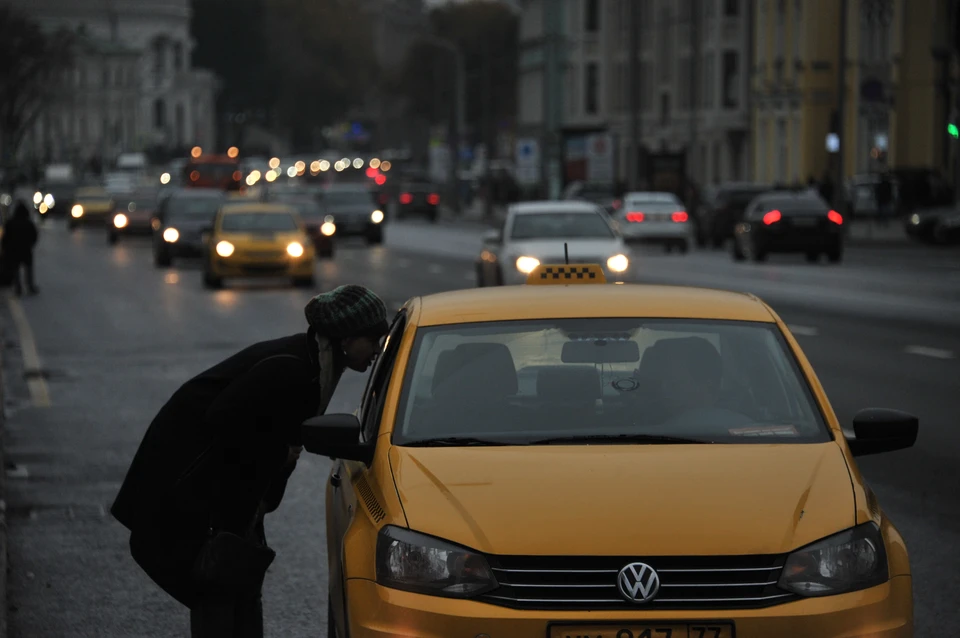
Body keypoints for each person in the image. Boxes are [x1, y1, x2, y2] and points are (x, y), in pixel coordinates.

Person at [111, 284, 389, 637]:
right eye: (372, 339)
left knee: (233, 585)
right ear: (346, 338)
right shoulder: (293, 369)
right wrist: (280, 453)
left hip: (223, 497)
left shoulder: (311, 364)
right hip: (195, 494)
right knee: (218, 587)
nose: (377, 350)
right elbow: (223, 419)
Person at [1, 202, 39, 296]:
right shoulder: (28, 223)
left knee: (16, 270)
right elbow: (34, 236)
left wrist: (5, 248)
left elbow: (5, 237)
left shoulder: (10, 223)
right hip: (26, 250)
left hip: (13, 251)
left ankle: (18, 288)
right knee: (28, 270)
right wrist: (30, 244)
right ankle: (30, 287)